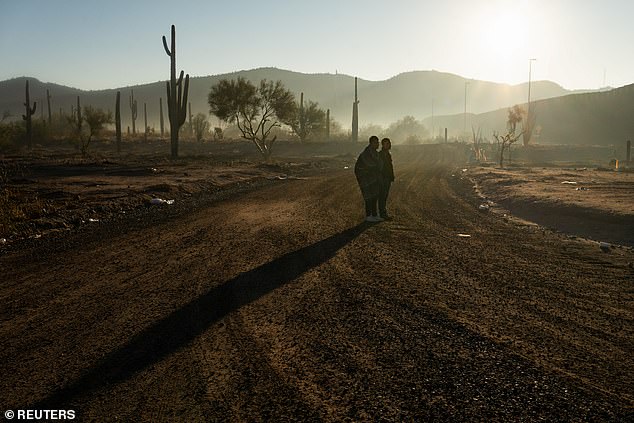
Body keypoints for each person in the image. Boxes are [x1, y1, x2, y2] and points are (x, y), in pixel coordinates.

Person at [354, 135, 383, 222]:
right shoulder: (366, 154)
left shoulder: (375, 153)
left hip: (373, 177)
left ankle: (374, 215)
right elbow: (371, 165)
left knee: (375, 195)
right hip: (364, 178)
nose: (378, 144)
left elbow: (379, 165)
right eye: (376, 142)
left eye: (378, 142)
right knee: (368, 196)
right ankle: (368, 216)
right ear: (371, 143)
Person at [378, 137, 394, 219]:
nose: (388, 145)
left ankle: (383, 213)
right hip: (383, 178)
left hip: (387, 177)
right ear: (383, 145)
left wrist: (391, 176)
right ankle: (382, 214)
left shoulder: (387, 154)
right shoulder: (381, 154)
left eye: (388, 143)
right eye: (386, 143)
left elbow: (390, 167)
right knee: (382, 196)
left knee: (384, 196)